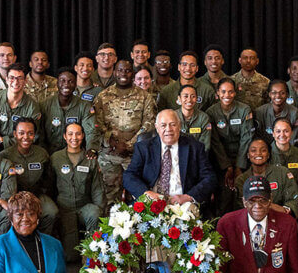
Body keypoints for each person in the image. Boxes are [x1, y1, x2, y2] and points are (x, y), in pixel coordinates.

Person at [93, 60, 157, 207]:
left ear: (133, 74)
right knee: (109, 200)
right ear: (114, 72)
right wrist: (113, 142)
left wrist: (129, 145)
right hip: (109, 155)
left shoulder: (145, 97)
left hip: (136, 156)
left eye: (127, 71)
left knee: (139, 198)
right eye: (120, 70)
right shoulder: (103, 96)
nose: (123, 74)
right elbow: (96, 123)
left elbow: (149, 123)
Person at [123, 109, 217, 206]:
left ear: (179, 126)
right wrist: (146, 193)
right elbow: (129, 175)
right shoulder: (144, 148)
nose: (168, 129)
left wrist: (189, 196)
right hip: (151, 203)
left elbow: (209, 177)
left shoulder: (195, 147)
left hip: (184, 204)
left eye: (173, 124)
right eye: (163, 125)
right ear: (157, 128)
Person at [50, 122, 104, 261]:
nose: (74, 137)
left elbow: (97, 187)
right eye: (70, 134)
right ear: (64, 136)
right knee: (70, 256)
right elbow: (49, 185)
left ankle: (91, 253)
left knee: (94, 213)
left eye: (78, 133)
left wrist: (100, 210)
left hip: (84, 206)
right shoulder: (56, 158)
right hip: (64, 208)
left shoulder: (90, 158)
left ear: (83, 135)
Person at [0, 120, 58, 233]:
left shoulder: (42, 154)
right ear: (15, 134)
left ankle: (40, 239)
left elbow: (48, 179)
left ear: (34, 135)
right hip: (14, 196)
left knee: (51, 212)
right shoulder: (5, 155)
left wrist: (40, 192)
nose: (26, 137)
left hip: (37, 194)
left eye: (30, 133)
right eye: (21, 133)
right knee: (8, 216)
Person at [234, 137, 298, 218]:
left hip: (281, 217)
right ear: (248, 155)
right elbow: (241, 208)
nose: (258, 153)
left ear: (268, 155)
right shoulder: (242, 180)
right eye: (253, 150)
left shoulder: (282, 172)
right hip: (253, 219)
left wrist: (284, 209)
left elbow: (294, 199)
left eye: (263, 150)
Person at [0, 62, 43, 147]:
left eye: (20, 78)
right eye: (12, 78)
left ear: (25, 81)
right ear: (6, 79)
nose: (15, 82)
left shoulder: (32, 106)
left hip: (21, 149)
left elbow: (32, 137)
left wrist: (5, 141)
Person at [42, 68, 96, 154]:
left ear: (75, 85)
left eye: (70, 81)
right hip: (49, 153)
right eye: (62, 81)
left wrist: (91, 148)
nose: (66, 84)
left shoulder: (84, 106)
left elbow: (90, 131)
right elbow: (40, 133)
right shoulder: (45, 105)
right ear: (57, 83)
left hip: (77, 152)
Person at [255, 79, 298, 146]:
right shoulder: (260, 112)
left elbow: (293, 139)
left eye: (282, 93)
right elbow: (258, 137)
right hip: (265, 150)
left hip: (286, 149)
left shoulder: (295, 113)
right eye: (274, 93)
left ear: (287, 95)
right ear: (269, 94)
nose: (278, 96)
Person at [270, 118, 298, 194]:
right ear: (273, 133)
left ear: (291, 133)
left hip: (293, 195)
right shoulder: (266, 153)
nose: (282, 135)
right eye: (278, 131)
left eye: (286, 131)